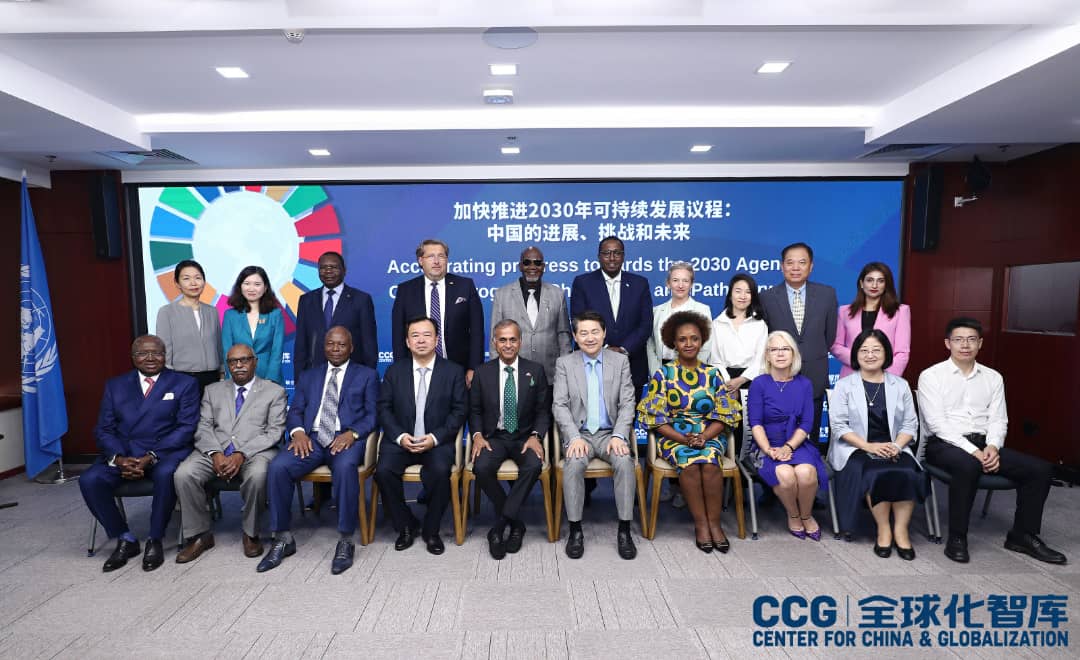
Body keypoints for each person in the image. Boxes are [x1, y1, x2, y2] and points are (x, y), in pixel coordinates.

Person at [918, 317, 1066, 565]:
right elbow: (937, 425)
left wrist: (993, 447)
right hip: (943, 445)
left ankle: (1023, 535)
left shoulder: (993, 378)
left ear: (980, 343)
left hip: (985, 444)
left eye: (971, 339)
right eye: (958, 340)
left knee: (1040, 469)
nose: (965, 345)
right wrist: (974, 452)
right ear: (947, 343)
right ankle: (957, 537)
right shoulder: (931, 376)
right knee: (968, 465)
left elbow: (998, 419)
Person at [258, 327, 379, 574]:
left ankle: (346, 539)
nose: (335, 349)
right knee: (279, 467)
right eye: (330, 344)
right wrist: (298, 432)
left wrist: (353, 434)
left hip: (345, 438)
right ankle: (282, 537)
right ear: (324, 347)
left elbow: (373, 415)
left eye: (341, 344)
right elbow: (295, 411)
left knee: (345, 467)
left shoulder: (367, 375)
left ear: (351, 348)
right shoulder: (309, 376)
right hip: (311, 439)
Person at [79, 335, 199, 572]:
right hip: (124, 454)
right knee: (90, 480)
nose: (150, 358)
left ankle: (155, 538)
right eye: (143, 353)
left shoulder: (184, 383)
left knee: (167, 475)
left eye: (157, 353)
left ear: (165, 355)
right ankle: (125, 538)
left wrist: (151, 455)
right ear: (133, 358)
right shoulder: (115, 385)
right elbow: (104, 429)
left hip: (164, 452)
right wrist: (119, 459)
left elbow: (186, 427)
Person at [637, 311, 741, 553]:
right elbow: (655, 419)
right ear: (673, 342)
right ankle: (701, 525)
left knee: (710, 462)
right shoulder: (663, 375)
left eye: (694, 338)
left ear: (702, 340)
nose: (689, 344)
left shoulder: (712, 374)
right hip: (673, 437)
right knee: (691, 464)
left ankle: (715, 524)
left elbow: (724, 415)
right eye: (682, 339)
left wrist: (704, 437)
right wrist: (684, 438)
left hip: (709, 434)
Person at [173, 343, 287, 563]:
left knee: (258, 475)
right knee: (184, 474)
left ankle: (251, 533)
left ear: (255, 362)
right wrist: (215, 453)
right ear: (227, 365)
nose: (239, 365)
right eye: (233, 362)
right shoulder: (212, 390)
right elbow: (203, 426)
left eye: (244, 360)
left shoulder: (274, 391)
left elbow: (274, 432)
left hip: (255, 451)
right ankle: (200, 535)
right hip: (214, 450)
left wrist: (241, 453)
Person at [376, 316, 468, 555]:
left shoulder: (453, 371)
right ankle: (406, 525)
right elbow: (383, 409)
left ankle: (431, 530)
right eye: (415, 336)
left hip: (437, 441)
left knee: (440, 471)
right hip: (401, 441)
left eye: (427, 335)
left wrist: (435, 438)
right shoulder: (394, 371)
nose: (421, 340)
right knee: (383, 471)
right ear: (407, 342)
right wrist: (399, 436)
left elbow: (459, 411)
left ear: (436, 340)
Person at [829, 330, 925, 560]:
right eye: (864, 350)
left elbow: (910, 424)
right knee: (875, 471)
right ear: (856, 354)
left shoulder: (900, 385)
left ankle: (901, 530)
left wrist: (897, 446)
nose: (870, 355)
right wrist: (868, 447)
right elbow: (839, 426)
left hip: (893, 445)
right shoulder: (845, 385)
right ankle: (883, 529)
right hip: (855, 448)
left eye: (876, 350)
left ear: (886, 353)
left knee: (907, 469)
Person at [552, 311, 638, 560]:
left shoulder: (619, 361)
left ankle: (625, 530)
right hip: (579, 434)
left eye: (595, 332)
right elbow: (559, 405)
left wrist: (619, 436)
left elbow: (627, 403)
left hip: (609, 433)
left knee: (624, 462)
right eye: (583, 333)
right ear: (575, 336)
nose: (590, 338)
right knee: (573, 463)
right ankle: (575, 530)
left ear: (604, 334)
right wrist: (573, 437)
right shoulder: (565, 363)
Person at [469, 320, 550, 560]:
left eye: (512, 339)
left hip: (525, 437)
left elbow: (543, 411)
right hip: (494, 437)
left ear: (520, 342)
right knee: (481, 467)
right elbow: (474, 410)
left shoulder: (535, 370)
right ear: (494, 343)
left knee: (533, 465)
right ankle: (516, 524)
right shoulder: (482, 372)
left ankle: (500, 525)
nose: (508, 345)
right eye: (502, 340)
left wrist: (536, 436)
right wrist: (477, 435)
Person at [747, 331, 829, 541]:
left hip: (796, 444)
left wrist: (788, 447)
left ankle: (806, 515)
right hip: (766, 445)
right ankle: (793, 515)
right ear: (767, 355)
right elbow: (756, 424)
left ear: (794, 354)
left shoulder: (804, 384)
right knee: (785, 475)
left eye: (785, 349)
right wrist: (769, 450)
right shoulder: (759, 383)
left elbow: (807, 424)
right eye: (774, 349)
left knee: (805, 473)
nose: (780, 353)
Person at [759, 242, 837, 442]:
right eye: (790, 262)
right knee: (779, 431)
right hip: (779, 375)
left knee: (812, 431)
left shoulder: (827, 294)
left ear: (811, 266)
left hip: (815, 373)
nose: (795, 268)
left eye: (802, 262)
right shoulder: (766, 297)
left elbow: (829, 335)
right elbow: (765, 338)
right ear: (781, 266)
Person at [391, 239, 484, 386]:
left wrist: (474, 368)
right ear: (420, 260)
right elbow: (398, 335)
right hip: (418, 371)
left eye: (441, 256)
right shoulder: (406, 290)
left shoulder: (465, 286)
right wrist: (402, 370)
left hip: (459, 370)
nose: (436, 261)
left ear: (447, 260)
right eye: (430, 256)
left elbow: (477, 331)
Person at [570, 236, 654, 397]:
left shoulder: (639, 283)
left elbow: (645, 325)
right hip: (592, 362)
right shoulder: (583, 283)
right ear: (599, 256)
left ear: (623, 256)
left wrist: (623, 349)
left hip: (632, 364)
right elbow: (579, 321)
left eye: (617, 253)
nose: (612, 258)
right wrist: (605, 348)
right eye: (606, 253)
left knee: (629, 412)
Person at [489, 245, 572, 400]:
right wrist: (495, 374)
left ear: (543, 267)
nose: (532, 267)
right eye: (527, 262)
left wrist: (566, 371)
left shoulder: (557, 294)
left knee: (547, 415)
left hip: (550, 377)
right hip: (513, 376)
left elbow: (563, 336)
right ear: (520, 266)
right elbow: (495, 337)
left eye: (537, 263)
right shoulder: (502, 295)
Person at [711, 273, 768, 456]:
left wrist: (741, 380)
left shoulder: (760, 324)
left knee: (750, 428)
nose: (743, 296)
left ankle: (747, 470)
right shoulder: (717, 324)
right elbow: (715, 359)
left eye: (748, 292)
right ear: (730, 294)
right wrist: (730, 383)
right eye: (738, 291)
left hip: (753, 380)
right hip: (724, 380)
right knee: (726, 427)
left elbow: (761, 359)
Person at [294, 251, 378, 371]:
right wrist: (300, 377)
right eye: (323, 267)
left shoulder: (361, 299)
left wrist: (367, 376)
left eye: (333, 267)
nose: (328, 271)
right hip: (314, 374)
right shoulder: (306, 300)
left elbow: (369, 344)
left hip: (351, 374)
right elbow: (301, 344)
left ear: (344, 270)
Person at [831, 262, 911, 378]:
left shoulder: (901, 311)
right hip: (851, 376)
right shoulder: (845, 311)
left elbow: (902, 353)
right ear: (861, 283)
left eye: (880, 281)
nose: (874, 285)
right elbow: (835, 345)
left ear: (886, 285)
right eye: (869, 280)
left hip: (886, 377)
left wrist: (884, 377)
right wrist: (860, 360)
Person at [155, 259, 222, 395]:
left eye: (198, 278)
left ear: (204, 281)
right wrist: (168, 380)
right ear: (177, 283)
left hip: (212, 378)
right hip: (182, 378)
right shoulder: (166, 312)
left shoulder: (212, 311)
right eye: (186, 279)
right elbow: (164, 350)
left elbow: (218, 346)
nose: (193, 283)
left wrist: (222, 373)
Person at [221, 266, 285, 386]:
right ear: (240, 286)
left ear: (265, 288)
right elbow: (226, 350)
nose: (251, 288)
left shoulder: (275, 314)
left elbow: (277, 350)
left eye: (257, 284)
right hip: (238, 375)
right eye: (247, 284)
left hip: (267, 375)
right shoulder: (230, 315)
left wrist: (271, 379)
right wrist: (232, 377)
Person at [647, 261, 714, 374]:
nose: (680, 285)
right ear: (668, 283)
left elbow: (706, 346)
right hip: (662, 371)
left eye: (685, 281)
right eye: (675, 280)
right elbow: (651, 345)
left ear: (691, 284)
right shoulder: (656, 311)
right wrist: (656, 373)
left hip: (692, 373)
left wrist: (691, 372)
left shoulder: (702, 310)